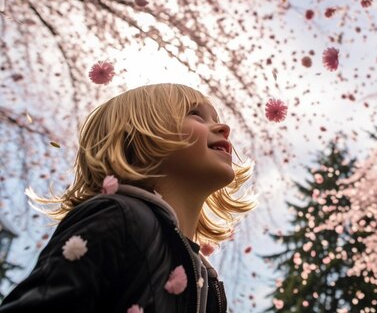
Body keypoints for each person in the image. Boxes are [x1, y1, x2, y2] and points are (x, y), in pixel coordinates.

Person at [0, 83, 257, 312]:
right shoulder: (118, 216)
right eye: (195, 115)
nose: (224, 127)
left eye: (215, 117)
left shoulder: (207, 281)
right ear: (139, 138)